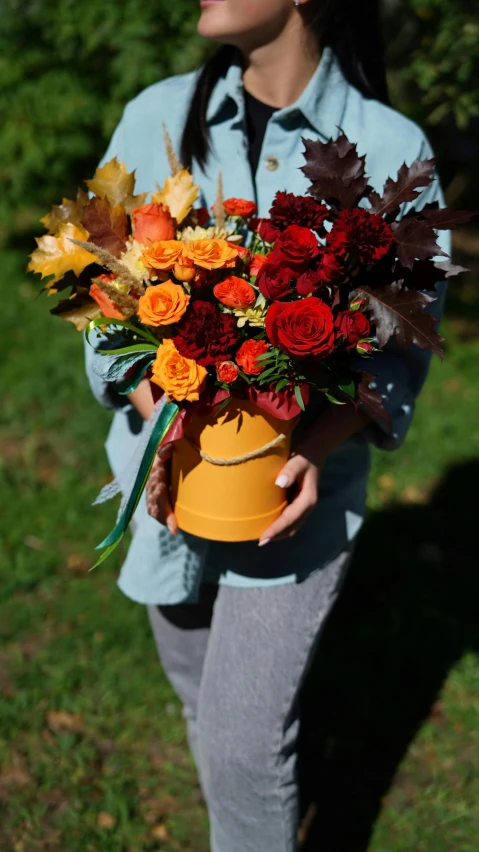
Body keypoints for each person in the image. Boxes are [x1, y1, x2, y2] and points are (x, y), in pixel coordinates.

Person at [84, 1, 450, 849]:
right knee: (203, 712)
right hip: (165, 493)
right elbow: (98, 301)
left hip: (292, 505)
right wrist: (160, 407)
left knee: (245, 748)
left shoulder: (392, 150)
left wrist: (314, 444)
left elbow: (397, 357)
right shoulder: (154, 118)